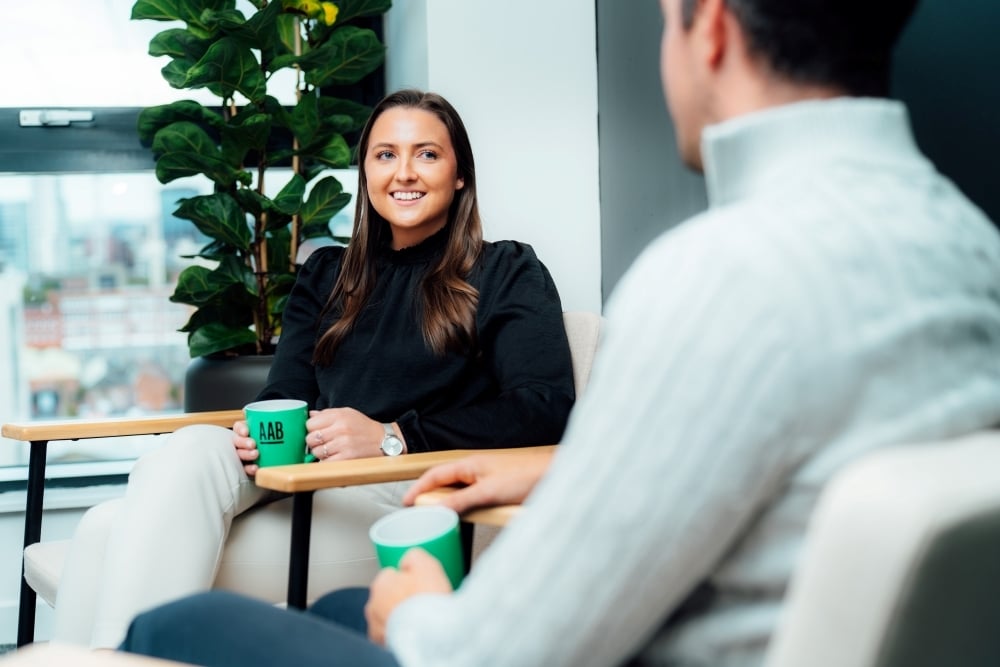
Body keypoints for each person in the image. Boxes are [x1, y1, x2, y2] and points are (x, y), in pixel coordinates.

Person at [121, 0, 1000, 665]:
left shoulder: (714, 276)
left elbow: (507, 644)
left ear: (714, 32)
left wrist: (420, 607)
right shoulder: (973, 250)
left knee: (172, 624)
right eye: (384, 154)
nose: (402, 171)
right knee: (335, 608)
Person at [52, 89, 576, 649]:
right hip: (304, 474)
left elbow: (544, 408)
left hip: (399, 493)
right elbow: (288, 392)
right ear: (365, 172)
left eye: (426, 154)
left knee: (104, 532)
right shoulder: (328, 273)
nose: (404, 173)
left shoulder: (505, 270)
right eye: (384, 155)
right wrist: (260, 433)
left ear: (460, 175)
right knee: (184, 452)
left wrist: (393, 437)